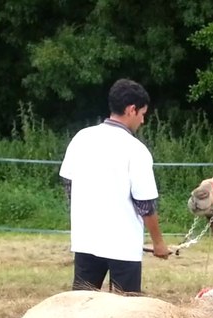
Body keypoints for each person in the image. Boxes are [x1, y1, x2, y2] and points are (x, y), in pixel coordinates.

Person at [59, 78, 170, 294]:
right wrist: (158, 243)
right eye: (142, 114)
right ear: (131, 110)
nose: (143, 121)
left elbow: (69, 185)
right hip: (123, 247)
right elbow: (145, 205)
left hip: (85, 240)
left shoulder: (81, 138)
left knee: (80, 307)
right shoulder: (135, 150)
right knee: (125, 313)